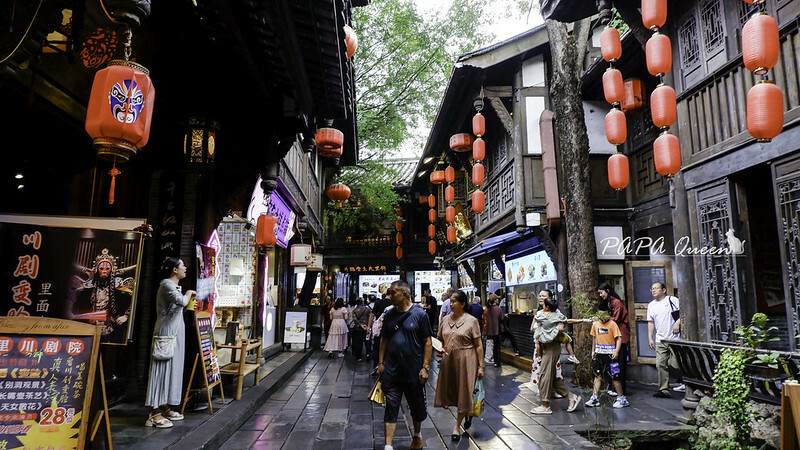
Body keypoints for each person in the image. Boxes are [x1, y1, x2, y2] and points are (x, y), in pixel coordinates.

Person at [377, 280, 432, 450]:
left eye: (393, 292)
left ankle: (417, 434)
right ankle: (388, 446)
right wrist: (380, 362)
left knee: (416, 407)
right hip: (392, 370)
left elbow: (427, 342)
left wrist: (425, 367)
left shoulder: (420, 315)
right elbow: (384, 340)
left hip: (413, 371)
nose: (390, 295)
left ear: (404, 294)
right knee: (391, 407)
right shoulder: (389, 314)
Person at [145, 257, 196, 428]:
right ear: (174, 269)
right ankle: (154, 412)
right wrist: (189, 293)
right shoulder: (167, 284)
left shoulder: (174, 287)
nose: (185, 268)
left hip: (175, 333)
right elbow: (181, 301)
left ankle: (164, 406)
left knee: (171, 368)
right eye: (182, 266)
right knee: (161, 369)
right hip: (166, 334)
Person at [434, 290, 484, 441]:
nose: (451, 304)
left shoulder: (472, 321)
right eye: (450, 301)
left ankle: (456, 426)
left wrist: (481, 366)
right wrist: (438, 347)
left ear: (462, 304)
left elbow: (478, 345)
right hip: (449, 359)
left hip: (467, 359)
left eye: (454, 301)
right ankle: (467, 412)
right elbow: (440, 339)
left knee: (464, 390)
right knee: (453, 390)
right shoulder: (445, 320)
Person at [71, 248, 136, 344]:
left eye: (107, 268)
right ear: (96, 270)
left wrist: (126, 316)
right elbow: (76, 304)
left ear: (112, 270)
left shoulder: (117, 286)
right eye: (101, 269)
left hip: (110, 325)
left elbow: (133, 300)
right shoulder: (89, 286)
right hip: (90, 325)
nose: (104, 271)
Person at [530, 296, 581, 414]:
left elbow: (564, 324)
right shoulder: (549, 314)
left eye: (544, 300)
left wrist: (582, 320)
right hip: (547, 347)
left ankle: (545, 405)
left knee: (544, 376)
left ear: (548, 307)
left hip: (552, 348)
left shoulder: (551, 316)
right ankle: (571, 397)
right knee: (551, 377)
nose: (541, 300)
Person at [585, 303, 629, 408]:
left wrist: (616, 351)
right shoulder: (595, 324)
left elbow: (619, 338)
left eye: (604, 315)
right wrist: (593, 351)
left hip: (610, 354)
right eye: (600, 315)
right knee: (598, 375)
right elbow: (594, 338)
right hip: (599, 353)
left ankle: (621, 398)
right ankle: (595, 397)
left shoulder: (613, 324)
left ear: (609, 314)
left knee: (615, 377)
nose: (603, 318)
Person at [648, 282, 682, 398]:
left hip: (675, 338)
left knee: (677, 364)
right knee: (660, 364)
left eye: (656, 288)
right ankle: (664, 389)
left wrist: (677, 323)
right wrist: (650, 338)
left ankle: (686, 382)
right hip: (660, 339)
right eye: (652, 289)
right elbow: (651, 322)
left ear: (664, 290)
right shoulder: (651, 305)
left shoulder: (672, 300)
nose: (654, 290)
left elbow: (684, 312)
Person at [598, 282, 630, 395]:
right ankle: (614, 388)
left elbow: (615, 318)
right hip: (612, 336)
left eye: (601, 292)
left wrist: (601, 319)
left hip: (621, 335)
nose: (600, 295)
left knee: (620, 363)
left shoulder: (616, 302)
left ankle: (621, 390)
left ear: (607, 291)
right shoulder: (608, 302)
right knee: (613, 363)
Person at [370, 293, 392, 371]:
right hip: (391, 329)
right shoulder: (394, 304)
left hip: (379, 329)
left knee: (377, 347)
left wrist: (369, 326)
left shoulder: (378, 303)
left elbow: (372, 315)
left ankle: (377, 365)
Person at [484, 294, 506, 367]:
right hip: (496, 329)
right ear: (495, 300)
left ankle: (493, 360)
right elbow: (502, 318)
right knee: (496, 345)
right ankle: (497, 361)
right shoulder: (498, 309)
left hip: (490, 330)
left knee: (492, 345)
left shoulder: (488, 310)